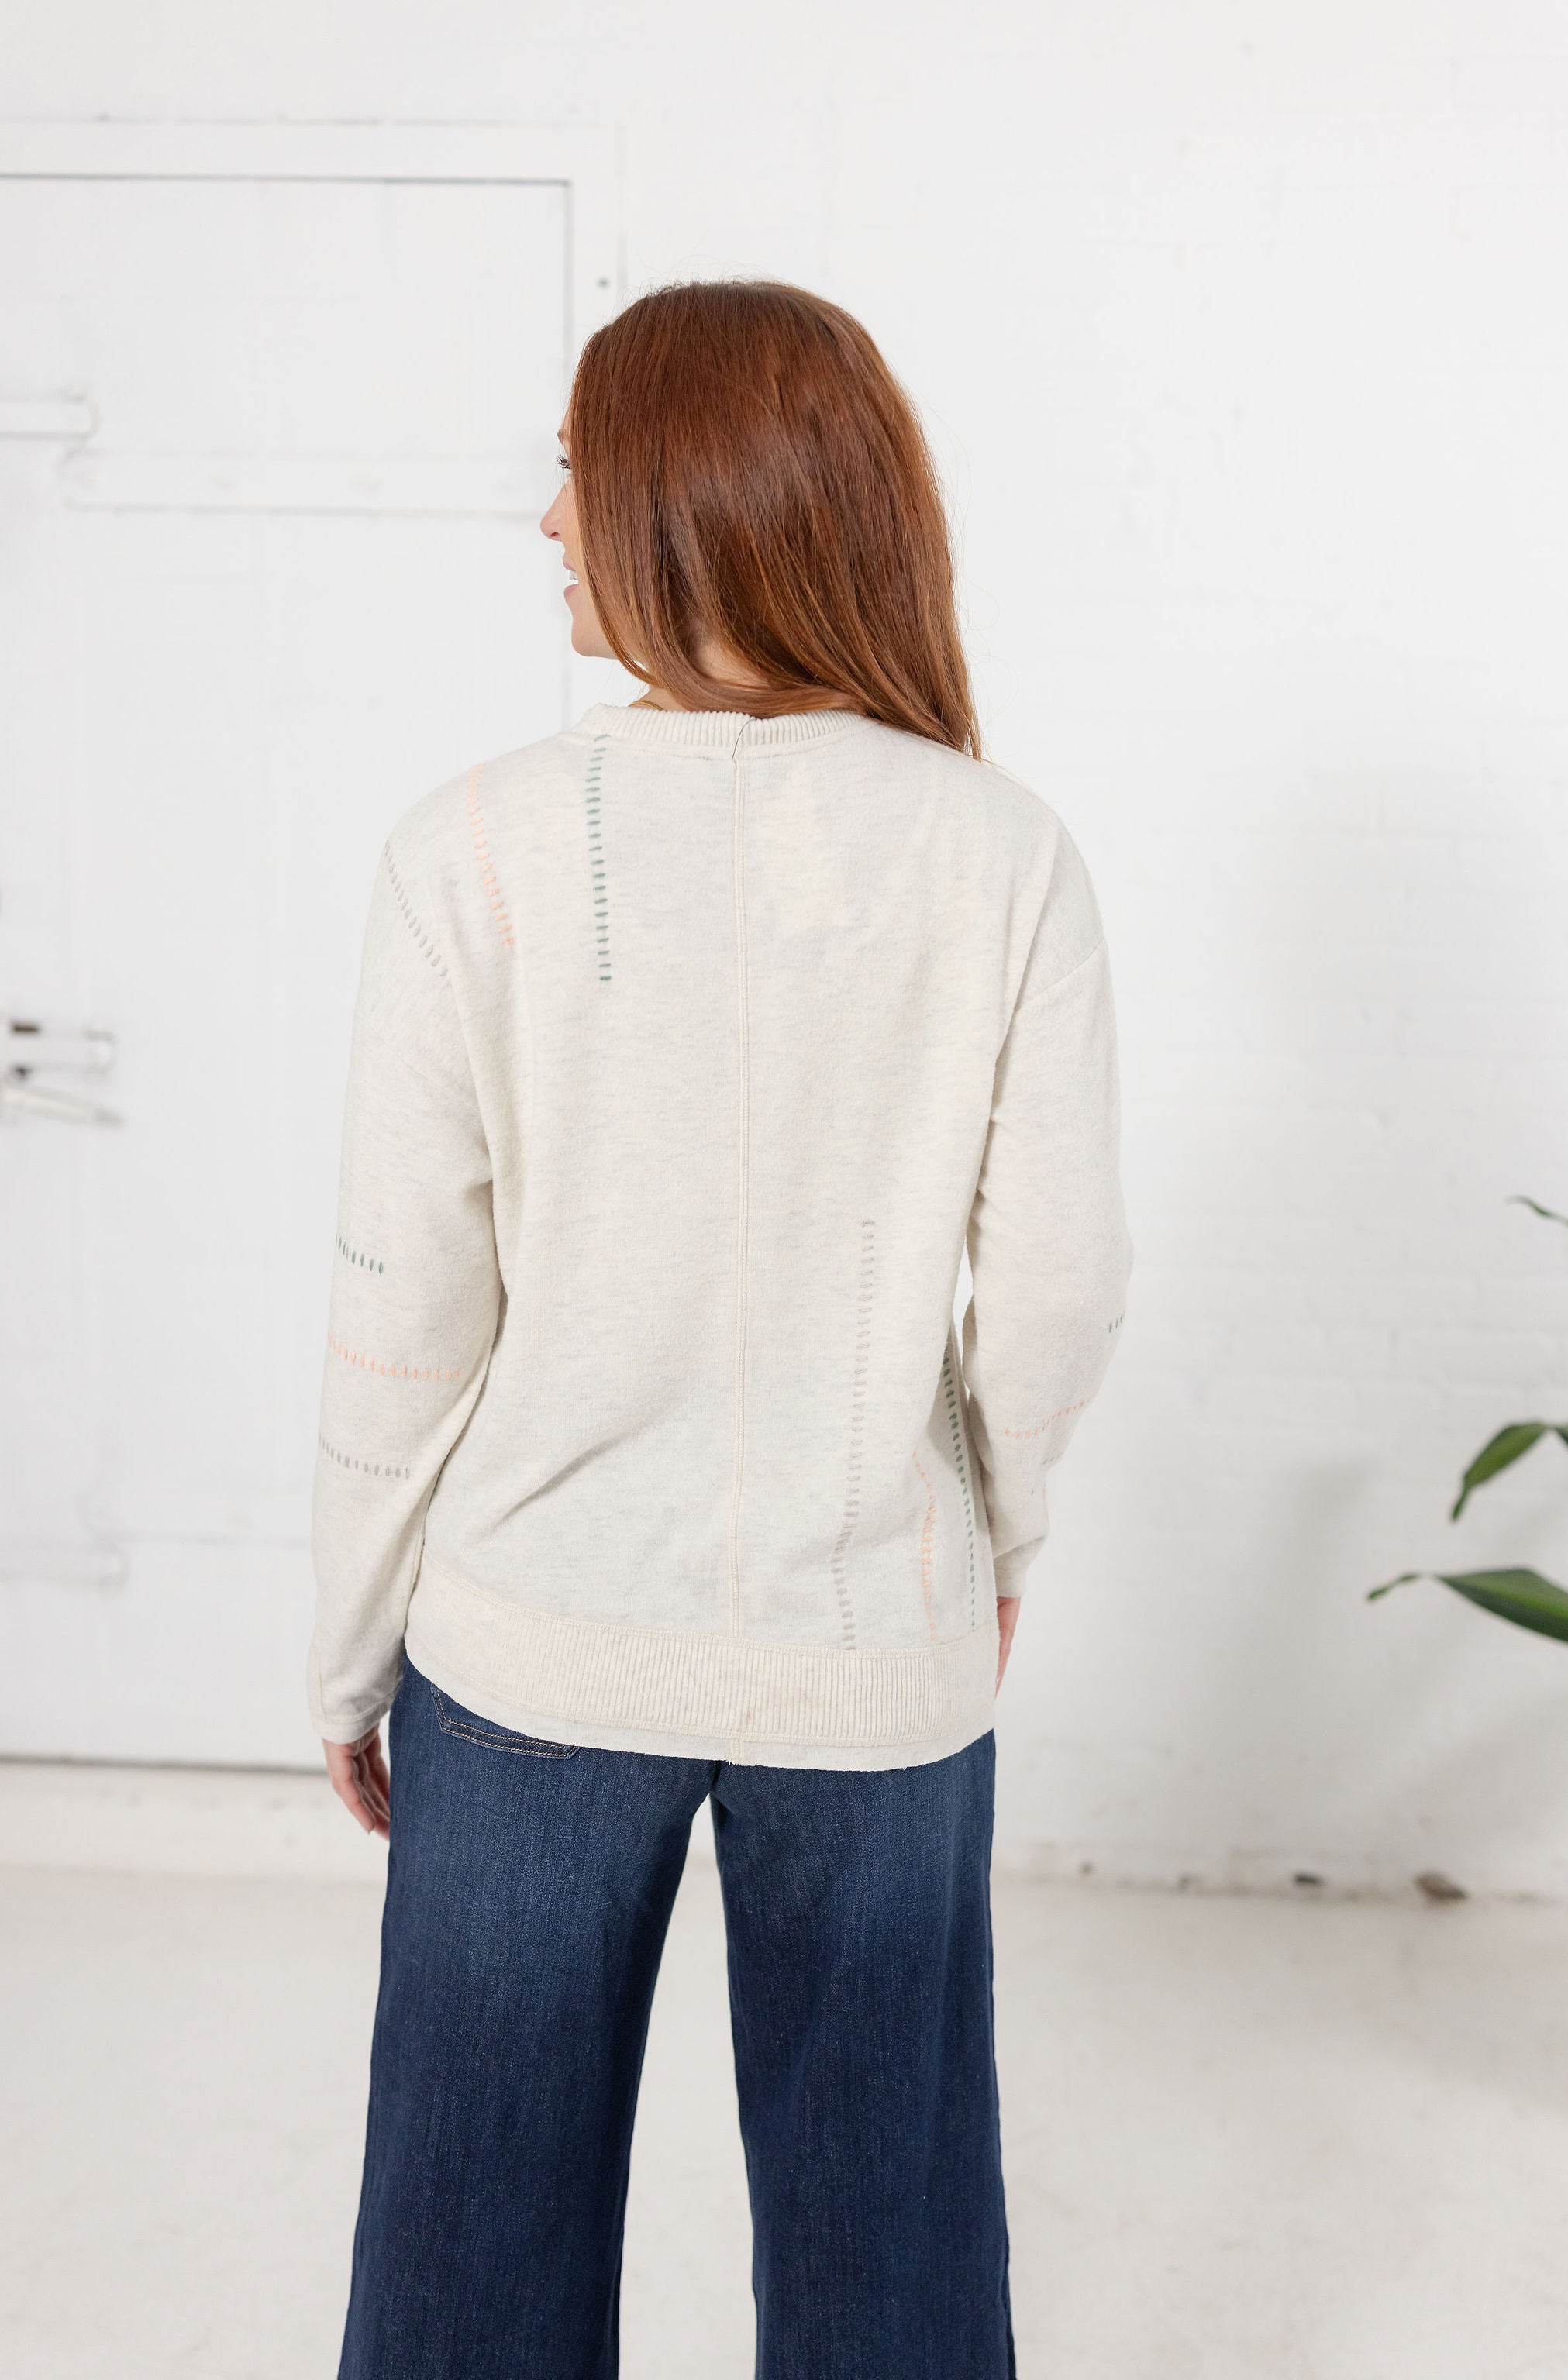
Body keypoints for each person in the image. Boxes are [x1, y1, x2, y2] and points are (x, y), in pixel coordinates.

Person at [308, 277, 1131, 2380]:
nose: (548, 523)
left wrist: (348, 1644)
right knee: (894, 2260)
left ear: (692, 498)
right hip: (878, 1647)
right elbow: (1053, 1292)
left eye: (575, 474)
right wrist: (996, 1538)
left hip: (532, 1644)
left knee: (468, 2260)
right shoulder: (1005, 854)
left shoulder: (468, 847)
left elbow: (408, 1303)